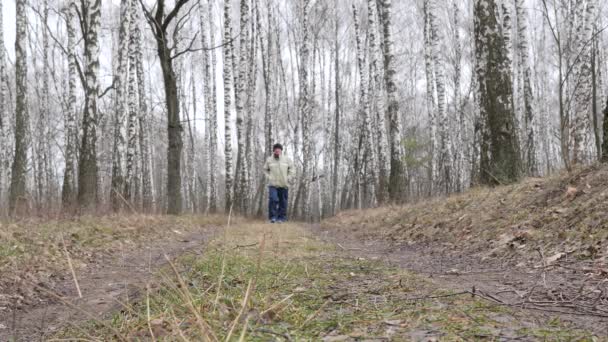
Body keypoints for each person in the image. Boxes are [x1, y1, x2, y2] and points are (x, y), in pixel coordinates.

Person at [263, 143, 295, 223]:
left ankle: (281, 218)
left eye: (279, 149)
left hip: (284, 184)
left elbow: (292, 170)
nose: (277, 150)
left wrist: (288, 178)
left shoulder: (287, 159)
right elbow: (265, 170)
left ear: (281, 150)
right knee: (273, 199)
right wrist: (269, 177)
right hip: (273, 184)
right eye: (276, 149)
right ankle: (273, 217)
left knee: (283, 202)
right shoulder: (269, 160)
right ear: (274, 150)